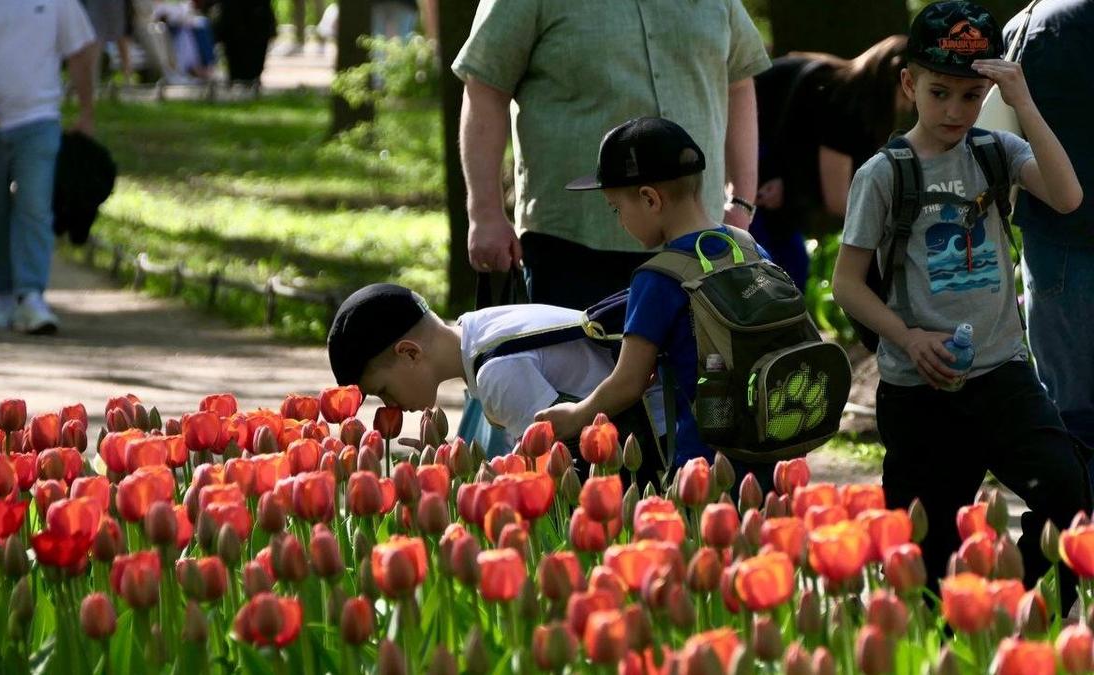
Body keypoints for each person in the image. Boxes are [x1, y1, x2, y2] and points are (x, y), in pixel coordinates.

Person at [831, 1, 1087, 603]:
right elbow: (847, 283)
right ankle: (949, 635)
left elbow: (1069, 196)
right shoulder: (883, 174)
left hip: (1002, 373)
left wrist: (1022, 102)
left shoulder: (996, 151)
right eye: (939, 92)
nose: (955, 111)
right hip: (921, 388)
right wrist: (909, 337)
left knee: (1066, 490)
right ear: (908, 84)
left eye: (972, 96)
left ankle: (1019, 609)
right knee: (926, 552)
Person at [453, 0, 770, 311]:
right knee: (576, 363)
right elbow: (485, 89)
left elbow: (739, 81)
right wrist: (485, 213)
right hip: (573, 246)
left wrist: (741, 202)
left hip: (699, 244)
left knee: (695, 365)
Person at [534, 117, 775, 488]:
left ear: (649, 198)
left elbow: (627, 384)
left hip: (706, 461)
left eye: (617, 208)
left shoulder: (659, 277)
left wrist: (574, 416)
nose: (620, 221)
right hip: (772, 441)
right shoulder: (746, 246)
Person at [326, 283, 670, 483]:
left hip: (657, 446)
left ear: (411, 353)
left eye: (383, 391)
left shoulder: (495, 373)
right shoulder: (481, 328)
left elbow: (553, 469)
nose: (390, 406)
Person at [0, 0, 97, 334]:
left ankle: (31, 294)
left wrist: (86, 111)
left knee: (34, 205)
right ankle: (3, 294)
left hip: (39, 118)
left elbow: (80, 50)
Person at [1003, 0, 1094, 454]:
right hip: (1065, 237)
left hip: (1061, 238)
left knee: (1071, 407)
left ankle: (1078, 521)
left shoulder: (1031, 22)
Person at [752, 36, 910, 290]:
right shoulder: (847, 103)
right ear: (896, 75)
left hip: (772, 169)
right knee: (778, 270)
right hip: (749, 162)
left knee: (788, 268)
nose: (913, 99)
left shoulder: (841, 85)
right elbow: (838, 199)